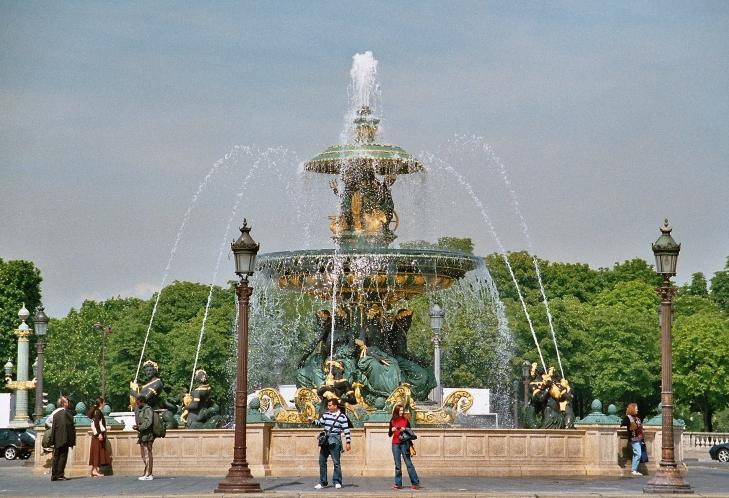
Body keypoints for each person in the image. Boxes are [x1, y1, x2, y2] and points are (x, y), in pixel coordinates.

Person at [308, 398, 351, 490]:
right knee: (322, 460)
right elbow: (320, 423)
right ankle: (323, 482)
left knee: (336, 462)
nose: (328, 407)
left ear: (335, 406)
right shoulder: (326, 414)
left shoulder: (342, 417)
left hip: (335, 440)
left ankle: (337, 481)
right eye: (328, 405)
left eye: (330, 405)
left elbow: (346, 430)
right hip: (326, 439)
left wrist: (348, 442)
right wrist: (313, 421)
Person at [388, 403, 420, 490]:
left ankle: (415, 483)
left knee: (408, 463)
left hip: (404, 443)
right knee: (397, 465)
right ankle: (398, 484)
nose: (402, 412)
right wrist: (392, 430)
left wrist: (404, 429)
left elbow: (410, 432)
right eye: (400, 410)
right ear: (396, 411)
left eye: (402, 410)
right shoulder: (392, 421)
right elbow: (389, 434)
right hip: (395, 444)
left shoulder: (406, 420)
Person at [48, 395, 76, 481]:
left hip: (57, 438)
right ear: (64, 404)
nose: (68, 403)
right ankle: (60, 474)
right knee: (63, 456)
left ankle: (54, 475)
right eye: (67, 402)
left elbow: (51, 425)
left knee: (56, 456)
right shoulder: (66, 413)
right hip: (64, 438)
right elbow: (69, 426)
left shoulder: (55, 414)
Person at [133, 394, 155, 480]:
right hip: (142, 434)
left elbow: (149, 422)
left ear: (142, 401)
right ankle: (146, 472)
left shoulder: (148, 409)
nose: (137, 404)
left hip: (148, 434)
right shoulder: (141, 409)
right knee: (144, 454)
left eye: (138, 402)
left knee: (147, 453)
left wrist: (139, 427)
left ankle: (149, 474)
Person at [87, 397, 110, 477]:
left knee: (96, 452)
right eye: (103, 402)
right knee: (97, 452)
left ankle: (94, 470)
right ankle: (94, 470)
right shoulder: (98, 411)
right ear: (101, 403)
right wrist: (99, 433)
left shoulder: (95, 410)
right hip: (98, 435)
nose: (104, 404)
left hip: (95, 434)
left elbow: (90, 416)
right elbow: (97, 422)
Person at [621, 402, 645, 476]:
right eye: (636, 408)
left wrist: (642, 440)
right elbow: (622, 423)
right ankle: (633, 470)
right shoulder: (628, 417)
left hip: (639, 439)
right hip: (634, 439)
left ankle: (634, 470)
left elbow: (640, 430)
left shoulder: (637, 418)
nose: (637, 410)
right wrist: (627, 418)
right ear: (632, 409)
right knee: (638, 454)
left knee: (636, 454)